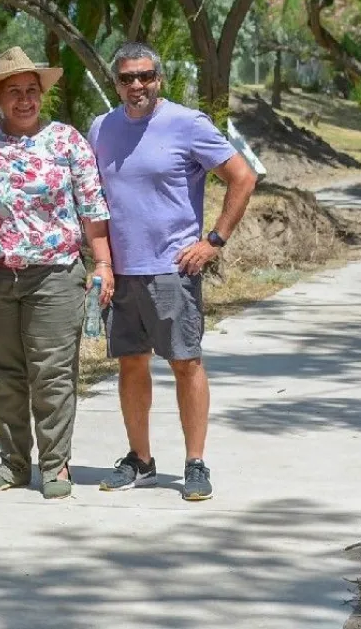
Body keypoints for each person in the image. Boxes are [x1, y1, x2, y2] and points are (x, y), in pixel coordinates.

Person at [87, 41, 257, 500]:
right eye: (126, 78)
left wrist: (213, 240)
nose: (136, 85)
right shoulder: (101, 128)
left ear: (158, 78)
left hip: (171, 270)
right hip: (122, 272)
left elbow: (243, 177)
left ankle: (195, 464)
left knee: (186, 363)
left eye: (145, 76)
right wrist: (101, 262)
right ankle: (140, 460)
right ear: (116, 83)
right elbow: (92, 199)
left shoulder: (187, 124)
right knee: (131, 364)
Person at [0, 47, 114, 500]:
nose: (24, 100)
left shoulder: (66, 141)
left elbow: (92, 209)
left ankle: (56, 465)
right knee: (5, 374)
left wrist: (102, 263)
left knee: (53, 372)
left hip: (55, 275)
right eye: (14, 92)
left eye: (32, 91)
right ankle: (14, 464)